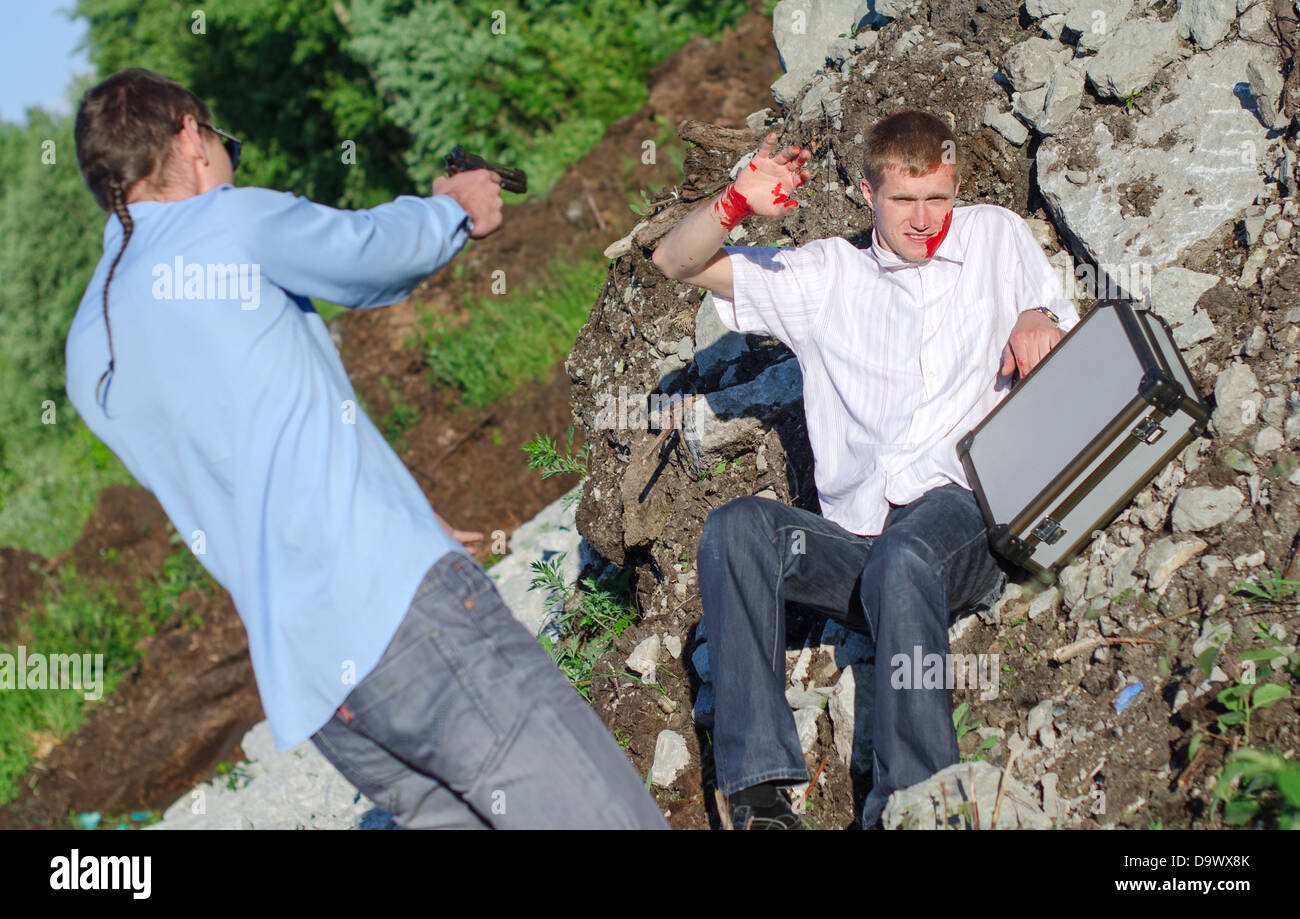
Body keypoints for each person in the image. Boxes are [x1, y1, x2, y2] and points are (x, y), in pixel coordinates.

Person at [66, 68, 668, 829]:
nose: (224, 160)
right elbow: (369, 252)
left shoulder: (89, 350)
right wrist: (453, 208)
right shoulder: (223, 224)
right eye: (223, 143)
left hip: (321, 691)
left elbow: (244, 456)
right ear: (189, 132)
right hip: (405, 620)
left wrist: (400, 521)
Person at [651, 109, 1080, 829]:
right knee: (737, 529)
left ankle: (914, 803)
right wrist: (733, 203)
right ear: (865, 193)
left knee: (908, 555)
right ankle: (758, 796)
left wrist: (1037, 317)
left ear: (957, 189)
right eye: (904, 201)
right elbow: (675, 263)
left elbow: (1050, 319)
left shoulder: (994, 235)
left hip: (961, 519)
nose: (924, 220)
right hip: (859, 549)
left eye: (938, 198)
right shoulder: (826, 276)